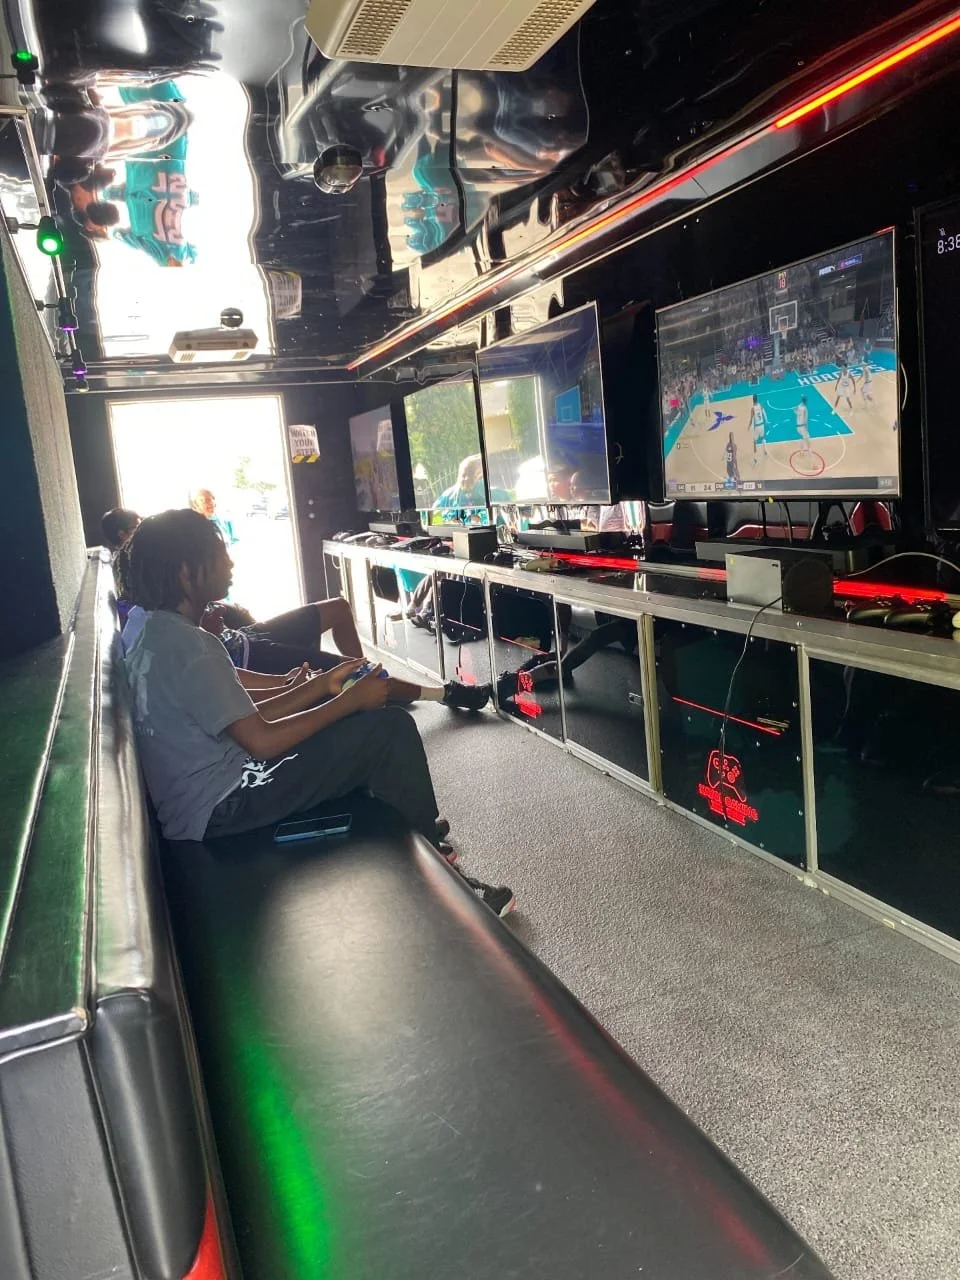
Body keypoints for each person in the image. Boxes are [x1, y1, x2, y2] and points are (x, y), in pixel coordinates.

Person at [120, 510, 515, 915]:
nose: (231, 561)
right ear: (187, 573)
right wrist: (347, 701)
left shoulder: (158, 634)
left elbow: (243, 718)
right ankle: (444, 884)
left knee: (355, 724)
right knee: (390, 731)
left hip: (209, 797)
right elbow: (261, 740)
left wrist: (320, 688)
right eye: (220, 553)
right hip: (224, 805)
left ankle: (413, 823)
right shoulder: (192, 648)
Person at [750, 394, 769, 464]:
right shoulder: (760, 405)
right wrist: (766, 421)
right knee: (763, 438)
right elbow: (764, 413)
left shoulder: (752, 408)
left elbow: (751, 420)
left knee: (754, 442)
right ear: (757, 399)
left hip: (757, 426)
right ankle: (765, 451)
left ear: (752, 400)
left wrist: (750, 427)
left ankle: (755, 458)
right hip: (762, 425)